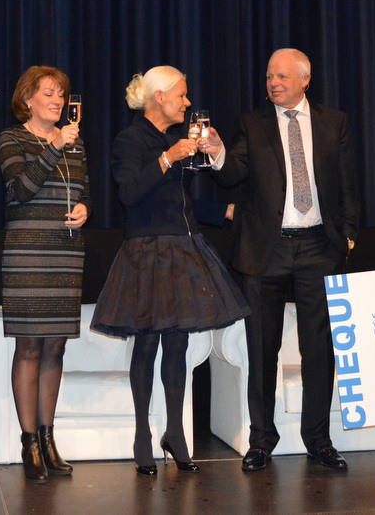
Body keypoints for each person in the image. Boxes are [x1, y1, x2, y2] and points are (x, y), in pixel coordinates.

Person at [92, 66, 250, 476]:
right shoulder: (131, 140)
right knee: (146, 344)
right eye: (181, 94)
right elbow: (130, 193)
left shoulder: (173, 141)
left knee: (178, 345)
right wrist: (167, 158)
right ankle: (141, 435)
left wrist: (224, 211)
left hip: (182, 248)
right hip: (146, 252)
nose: (187, 102)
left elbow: (178, 202)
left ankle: (175, 433)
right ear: (159, 97)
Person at [210, 48, 359, 473]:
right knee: (262, 349)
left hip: (319, 247)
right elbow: (233, 172)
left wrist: (348, 235)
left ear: (305, 79)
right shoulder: (251, 123)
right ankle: (261, 441)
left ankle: (319, 440)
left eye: (282, 76)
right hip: (266, 249)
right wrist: (218, 153)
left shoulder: (334, 122)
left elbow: (348, 183)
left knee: (319, 350)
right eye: (269, 77)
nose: (273, 83)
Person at [0, 66, 90, 484]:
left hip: (65, 254)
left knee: (56, 347)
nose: (57, 101)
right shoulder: (12, 138)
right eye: (48, 94)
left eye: (60, 94)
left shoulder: (76, 142)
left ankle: (49, 439)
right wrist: (53, 146)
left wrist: (85, 209)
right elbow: (20, 190)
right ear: (27, 100)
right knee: (30, 347)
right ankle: (29, 442)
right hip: (28, 256)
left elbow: (84, 191)